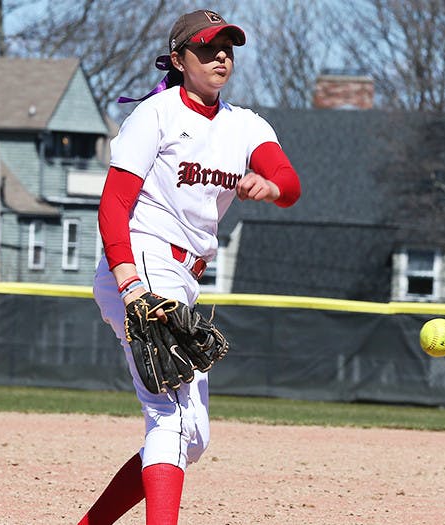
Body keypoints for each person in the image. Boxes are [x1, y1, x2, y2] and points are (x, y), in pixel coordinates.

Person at [77, 9, 301, 525]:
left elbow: (289, 182)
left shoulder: (245, 126)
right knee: (172, 422)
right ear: (179, 60)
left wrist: (270, 187)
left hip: (183, 277)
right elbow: (113, 205)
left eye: (227, 47)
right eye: (207, 48)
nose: (221, 55)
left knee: (191, 437)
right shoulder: (156, 115)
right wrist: (131, 284)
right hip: (142, 264)